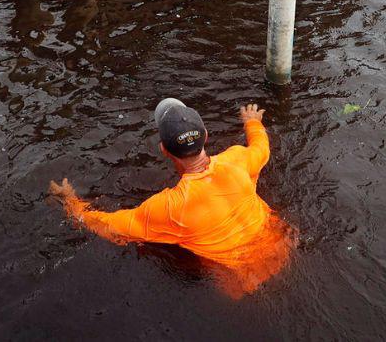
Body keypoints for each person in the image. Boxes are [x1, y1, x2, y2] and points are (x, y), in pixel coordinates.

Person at [49, 99, 292, 298]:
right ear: (205, 135)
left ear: (163, 149)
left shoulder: (169, 208)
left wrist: (69, 202)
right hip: (285, 248)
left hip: (241, 283)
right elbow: (261, 149)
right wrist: (252, 123)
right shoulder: (238, 159)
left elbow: (108, 226)